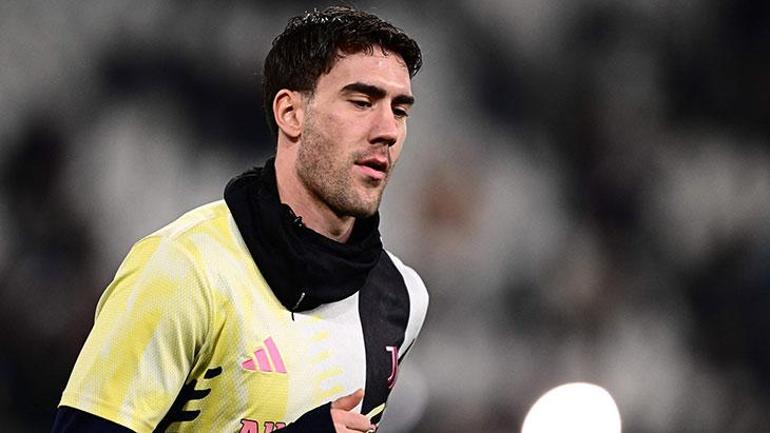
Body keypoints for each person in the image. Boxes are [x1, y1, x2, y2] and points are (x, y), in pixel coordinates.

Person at [52, 6, 428, 433]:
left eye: (400, 110)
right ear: (291, 114)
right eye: (361, 102)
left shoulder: (403, 297)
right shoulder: (183, 269)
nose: (388, 130)